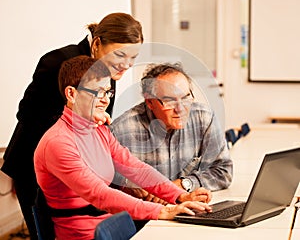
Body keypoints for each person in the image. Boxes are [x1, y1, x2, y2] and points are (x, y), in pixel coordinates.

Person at [34, 55, 212, 240]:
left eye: (108, 92)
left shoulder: (98, 130)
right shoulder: (58, 143)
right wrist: (164, 211)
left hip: (113, 229)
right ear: (72, 94)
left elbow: (137, 170)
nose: (105, 100)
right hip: (85, 236)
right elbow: (100, 194)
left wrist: (180, 196)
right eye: (98, 92)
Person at [1, 12, 143, 239]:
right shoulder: (57, 62)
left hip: (77, 171)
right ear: (97, 43)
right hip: (37, 171)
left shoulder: (109, 72)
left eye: (133, 58)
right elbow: (27, 114)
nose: (126, 65)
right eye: (120, 54)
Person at [109, 62, 233, 203]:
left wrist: (183, 184)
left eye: (185, 98)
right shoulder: (121, 130)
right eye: (169, 101)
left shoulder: (204, 118)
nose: (180, 108)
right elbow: (101, 181)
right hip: (143, 217)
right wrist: (128, 186)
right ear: (150, 102)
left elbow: (223, 170)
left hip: (186, 209)